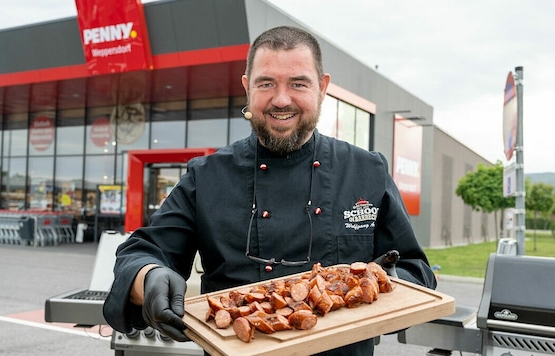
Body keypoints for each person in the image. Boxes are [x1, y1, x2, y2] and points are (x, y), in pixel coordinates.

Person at [103, 25, 437, 355]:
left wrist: (381, 280)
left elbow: (415, 269)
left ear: (322, 88)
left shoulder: (367, 170)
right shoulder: (205, 176)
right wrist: (149, 279)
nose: (281, 99)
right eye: (266, 83)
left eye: (298, 84)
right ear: (247, 87)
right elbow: (141, 252)